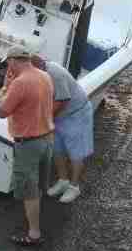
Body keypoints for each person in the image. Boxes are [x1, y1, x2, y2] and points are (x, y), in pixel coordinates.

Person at [0, 47, 55, 247]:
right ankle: (36, 221)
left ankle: (34, 233)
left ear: (14, 61)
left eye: (8, 62)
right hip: (47, 139)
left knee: (28, 189)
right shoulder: (44, 76)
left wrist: (4, 88)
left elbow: (2, 111)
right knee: (38, 186)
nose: (7, 66)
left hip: (28, 144)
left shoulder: (19, 83)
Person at [31, 55, 93, 204]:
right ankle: (63, 180)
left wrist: (46, 118)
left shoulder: (55, 73)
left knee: (75, 153)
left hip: (76, 113)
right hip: (59, 116)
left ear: (39, 65)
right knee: (57, 150)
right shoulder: (37, 74)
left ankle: (74, 186)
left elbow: (62, 100)